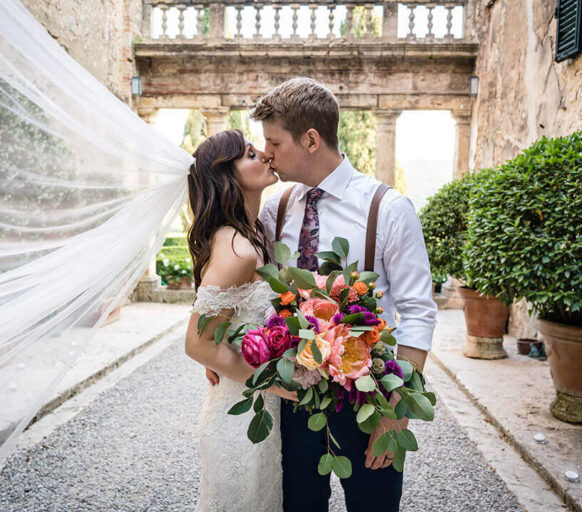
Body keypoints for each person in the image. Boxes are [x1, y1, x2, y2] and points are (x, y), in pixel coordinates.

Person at [253, 77, 438, 512]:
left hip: (370, 397)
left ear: (311, 139)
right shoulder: (274, 208)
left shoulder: (388, 209)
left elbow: (418, 312)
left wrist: (398, 411)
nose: (267, 153)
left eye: (274, 142)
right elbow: (248, 286)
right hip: (294, 401)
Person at [183, 129, 295, 512]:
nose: (265, 155)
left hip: (258, 411)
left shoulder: (257, 232)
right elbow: (196, 343)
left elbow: (221, 330)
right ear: (227, 175)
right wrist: (276, 385)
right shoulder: (237, 248)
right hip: (240, 421)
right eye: (250, 154)